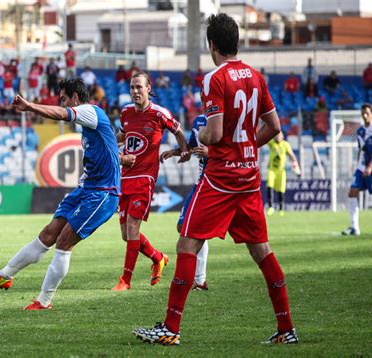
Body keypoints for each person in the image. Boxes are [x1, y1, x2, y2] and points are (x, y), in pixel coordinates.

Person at [132, 13, 298, 346]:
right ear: (235, 41)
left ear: (212, 45)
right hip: (249, 178)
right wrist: (247, 147)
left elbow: (216, 132)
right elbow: (275, 126)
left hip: (221, 179)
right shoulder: (256, 76)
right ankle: (286, 329)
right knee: (262, 251)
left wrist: (201, 140)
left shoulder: (214, 79)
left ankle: (170, 329)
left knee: (186, 244)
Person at [0, 78, 121, 310]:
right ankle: (4, 274)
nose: (61, 103)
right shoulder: (90, 126)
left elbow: (61, 114)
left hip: (103, 193)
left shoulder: (89, 112)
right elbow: (109, 149)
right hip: (85, 189)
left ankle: (44, 301)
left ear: (75, 97)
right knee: (48, 234)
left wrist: (31, 106)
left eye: (64, 98)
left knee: (64, 242)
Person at [112, 71, 189, 291]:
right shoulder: (126, 112)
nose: (135, 91)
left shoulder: (159, 113)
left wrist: (183, 150)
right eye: (132, 87)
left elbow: (178, 131)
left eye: (139, 87)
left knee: (133, 228)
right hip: (125, 177)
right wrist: (106, 141)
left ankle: (125, 280)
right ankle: (158, 258)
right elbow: (123, 135)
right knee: (127, 235)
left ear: (148, 89)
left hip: (145, 178)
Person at [160, 113, 209, 290]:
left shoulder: (226, 118)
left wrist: (211, 153)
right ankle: (199, 279)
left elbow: (235, 149)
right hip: (202, 181)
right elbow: (191, 148)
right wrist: (176, 151)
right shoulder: (199, 120)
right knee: (185, 226)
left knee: (192, 228)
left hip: (219, 182)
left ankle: (198, 279)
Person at [342, 103, 372, 236]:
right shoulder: (361, 130)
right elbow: (360, 149)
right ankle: (354, 227)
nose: (365, 115)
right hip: (361, 167)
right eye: (363, 112)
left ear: (371, 114)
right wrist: (358, 165)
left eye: (367, 113)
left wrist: (369, 166)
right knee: (352, 192)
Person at [266, 131, 300, 216]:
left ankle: (281, 208)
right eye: (276, 135)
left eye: (279, 135)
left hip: (281, 171)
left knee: (281, 189)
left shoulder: (285, 145)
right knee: (269, 185)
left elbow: (291, 155)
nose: (278, 137)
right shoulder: (272, 143)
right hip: (272, 169)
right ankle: (271, 207)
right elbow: (264, 138)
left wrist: (295, 163)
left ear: (282, 136)